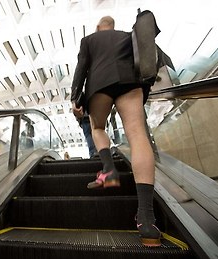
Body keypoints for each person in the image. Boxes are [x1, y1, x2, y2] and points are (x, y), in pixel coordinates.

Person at [70, 15, 161, 246]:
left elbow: (82, 67)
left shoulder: (89, 40)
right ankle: (146, 219)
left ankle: (109, 170)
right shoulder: (126, 36)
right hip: (130, 81)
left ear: (98, 27)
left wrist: (74, 98)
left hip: (99, 84)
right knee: (137, 134)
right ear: (113, 26)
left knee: (97, 127)